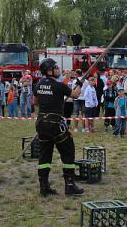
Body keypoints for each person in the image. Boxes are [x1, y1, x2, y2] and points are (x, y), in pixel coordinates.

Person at [33, 58, 84, 196]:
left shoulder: (38, 85)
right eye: (55, 67)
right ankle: (70, 185)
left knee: (44, 155)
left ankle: (44, 187)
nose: (58, 69)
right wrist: (79, 84)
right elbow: (75, 95)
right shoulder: (59, 85)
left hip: (41, 123)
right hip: (55, 123)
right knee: (68, 151)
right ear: (49, 70)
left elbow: (35, 102)